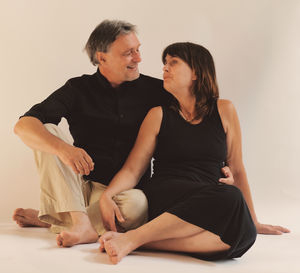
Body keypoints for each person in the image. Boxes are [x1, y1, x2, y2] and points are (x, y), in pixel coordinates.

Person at [12, 20, 286, 248]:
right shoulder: (78, 89)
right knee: (45, 130)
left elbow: (205, 134)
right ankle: (79, 221)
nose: (140, 59)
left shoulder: (161, 92)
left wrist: (226, 174)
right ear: (101, 57)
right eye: (128, 53)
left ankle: (54, 218)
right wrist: (64, 149)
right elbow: (23, 125)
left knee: (139, 208)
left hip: (124, 195)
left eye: (138, 50)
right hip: (79, 184)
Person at [98, 42, 290, 264]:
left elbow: (237, 167)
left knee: (245, 235)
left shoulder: (225, 110)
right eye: (165, 64)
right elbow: (133, 169)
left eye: (173, 63)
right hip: (168, 195)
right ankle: (134, 239)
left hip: (209, 198)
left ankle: (134, 240)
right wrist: (107, 195)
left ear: (196, 73)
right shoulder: (157, 115)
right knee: (230, 199)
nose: (165, 69)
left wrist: (253, 221)